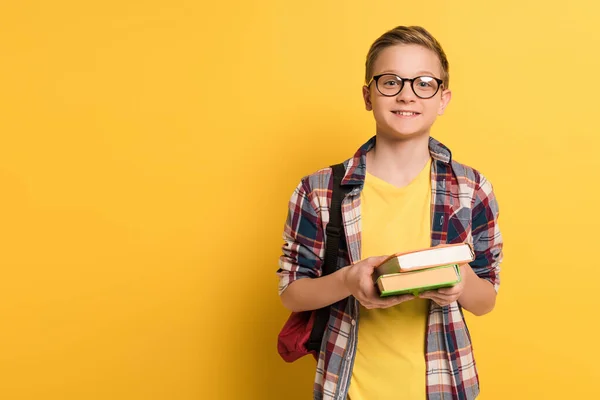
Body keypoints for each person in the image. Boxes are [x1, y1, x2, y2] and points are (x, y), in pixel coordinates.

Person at [277, 25, 503, 400]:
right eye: (391, 82)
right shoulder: (319, 189)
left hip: (446, 385)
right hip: (347, 386)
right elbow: (291, 292)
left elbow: (486, 300)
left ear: (443, 98)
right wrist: (349, 281)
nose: (406, 95)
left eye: (424, 83)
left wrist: (459, 280)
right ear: (368, 95)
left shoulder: (472, 188)